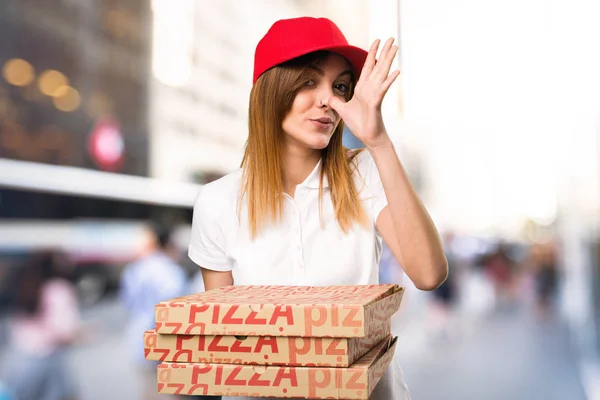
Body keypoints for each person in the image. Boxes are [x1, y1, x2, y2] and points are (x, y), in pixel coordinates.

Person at [188, 17, 448, 400]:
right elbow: (228, 342)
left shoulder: (365, 172)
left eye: (340, 86)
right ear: (272, 88)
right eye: (309, 81)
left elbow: (428, 273)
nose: (329, 99)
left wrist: (378, 141)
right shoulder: (217, 202)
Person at [1, 249, 84, 400]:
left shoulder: (25, 285)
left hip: (21, 360)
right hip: (48, 360)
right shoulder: (58, 289)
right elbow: (64, 330)